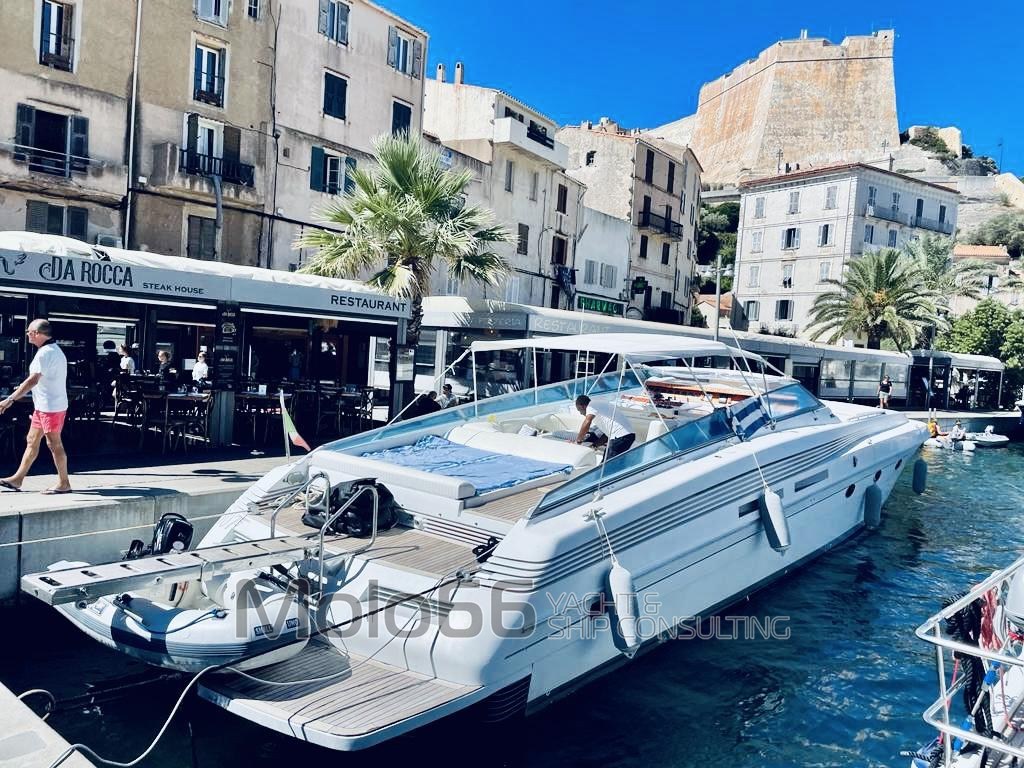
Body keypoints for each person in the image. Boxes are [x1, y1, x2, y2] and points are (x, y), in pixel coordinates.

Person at [0, 319, 72, 494]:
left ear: (37, 334)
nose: (27, 334)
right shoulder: (53, 351)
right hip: (45, 406)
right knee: (32, 440)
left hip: (50, 407)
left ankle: (64, 483)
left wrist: (10, 399)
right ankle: (17, 479)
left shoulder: (45, 353)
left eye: (29, 331)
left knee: (54, 444)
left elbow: (32, 380)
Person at [573, 394, 635, 460]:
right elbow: (607, 435)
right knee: (608, 460)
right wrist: (594, 445)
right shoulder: (600, 407)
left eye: (579, 410)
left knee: (608, 463)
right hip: (628, 436)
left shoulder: (591, 405)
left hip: (621, 437)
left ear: (583, 406)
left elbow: (587, 422)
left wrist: (578, 441)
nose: (581, 413)